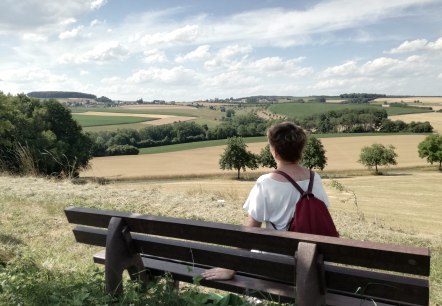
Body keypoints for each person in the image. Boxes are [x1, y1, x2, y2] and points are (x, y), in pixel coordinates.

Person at [201, 121, 330, 281]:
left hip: (278, 266)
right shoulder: (314, 178)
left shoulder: (266, 183)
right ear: (300, 150)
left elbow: (251, 230)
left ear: (274, 152)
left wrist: (230, 266)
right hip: (311, 264)